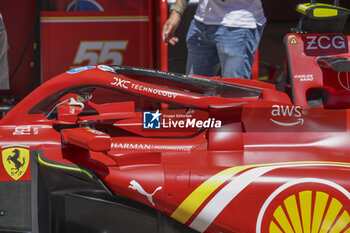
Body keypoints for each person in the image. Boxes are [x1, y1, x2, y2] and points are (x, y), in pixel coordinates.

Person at [162, 0, 266, 79]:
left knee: (233, 95)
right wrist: (176, 12)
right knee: (195, 91)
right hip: (200, 25)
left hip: (237, 26)